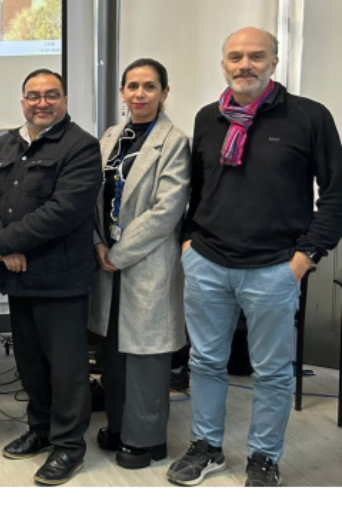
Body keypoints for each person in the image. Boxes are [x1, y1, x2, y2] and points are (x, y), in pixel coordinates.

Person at [168, 27, 342, 489]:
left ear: (274, 61)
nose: (245, 65)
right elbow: (197, 191)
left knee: (272, 372)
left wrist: (305, 257)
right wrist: (188, 243)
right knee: (205, 362)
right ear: (223, 63)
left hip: (274, 269)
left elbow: (336, 193)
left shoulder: (310, 117)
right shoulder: (208, 118)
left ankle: (264, 458)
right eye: (235, 57)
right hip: (207, 263)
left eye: (256, 56)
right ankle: (206, 447)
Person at [0, 69, 101, 486]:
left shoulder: (81, 146)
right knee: (30, 364)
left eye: (51, 95)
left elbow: (66, 209)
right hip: (17, 278)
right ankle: (42, 429)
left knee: (66, 369)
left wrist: (9, 243)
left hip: (60, 278)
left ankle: (69, 446)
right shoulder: (4, 144)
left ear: (64, 100)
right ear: (22, 102)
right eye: (33, 96)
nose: (42, 103)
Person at [88, 58, 191, 471]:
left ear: (164, 93)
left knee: (146, 357)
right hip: (107, 259)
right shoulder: (112, 136)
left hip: (147, 260)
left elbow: (167, 211)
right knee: (113, 353)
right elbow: (93, 198)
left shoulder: (175, 140)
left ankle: (144, 439)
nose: (140, 94)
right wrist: (98, 243)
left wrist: (119, 252)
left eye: (149, 86)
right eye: (132, 86)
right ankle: (117, 425)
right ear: (122, 92)